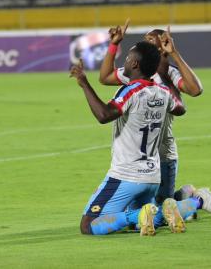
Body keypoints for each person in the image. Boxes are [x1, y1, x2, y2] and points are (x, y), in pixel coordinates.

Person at [99, 20, 211, 221]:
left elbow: (195, 90)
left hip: (163, 151)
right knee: (151, 210)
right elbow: (105, 77)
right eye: (145, 39)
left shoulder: (170, 73)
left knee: (157, 210)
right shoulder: (136, 72)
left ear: (163, 45)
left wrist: (174, 55)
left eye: (151, 39)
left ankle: (199, 199)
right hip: (139, 156)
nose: (146, 42)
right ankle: (188, 195)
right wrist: (114, 45)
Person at [72, 41, 192, 236]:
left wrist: (84, 83)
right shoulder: (164, 92)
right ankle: (188, 204)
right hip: (152, 176)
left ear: (135, 64)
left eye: (127, 58)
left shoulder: (131, 90)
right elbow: (181, 108)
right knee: (142, 219)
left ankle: (139, 216)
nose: (125, 62)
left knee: (88, 224)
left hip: (126, 175)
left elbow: (104, 115)